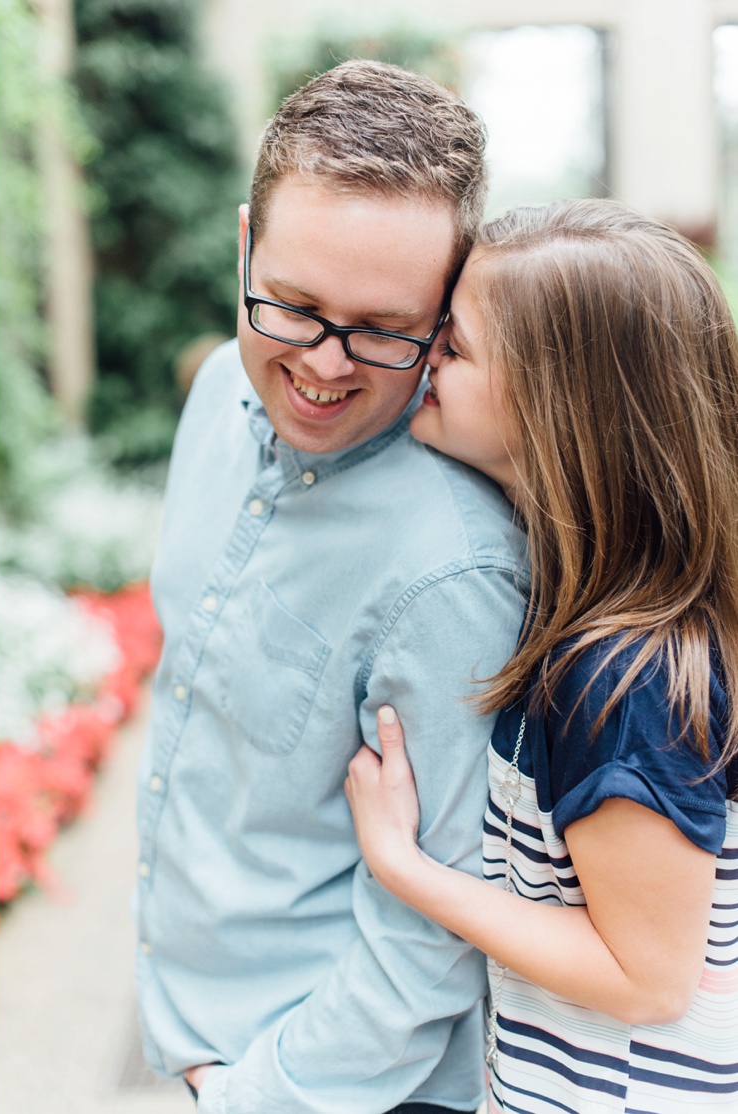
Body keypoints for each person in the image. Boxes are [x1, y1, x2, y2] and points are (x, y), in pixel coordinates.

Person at [137, 60, 527, 1113]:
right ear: (242, 247)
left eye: (383, 327)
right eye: (294, 304)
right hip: (209, 1044)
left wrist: (248, 1094)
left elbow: (439, 934)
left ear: (445, 318)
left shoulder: (458, 570)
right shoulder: (219, 387)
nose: (324, 362)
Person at [346, 199, 738, 1113]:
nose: (423, 358)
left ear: (558, 404)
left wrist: (404, 866)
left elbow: (649, 979)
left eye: (457, 346)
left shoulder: (625, 674)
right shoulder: (608, 624)